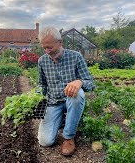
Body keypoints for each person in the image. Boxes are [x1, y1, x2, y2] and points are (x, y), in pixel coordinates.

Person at [37, 26, 95, 156]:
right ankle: (61, 119)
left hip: (71, 99)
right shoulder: (42, 61)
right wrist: (33, 98)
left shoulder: (76, 57)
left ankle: (68, 137)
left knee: (78, 94)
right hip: (53, 102)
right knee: (45, 142)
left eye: (50, 47)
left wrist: (79, 82)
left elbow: (91, 83)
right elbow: (42, 85)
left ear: (60, 43)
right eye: (44, 48)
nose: (47, 51)